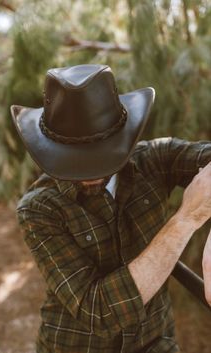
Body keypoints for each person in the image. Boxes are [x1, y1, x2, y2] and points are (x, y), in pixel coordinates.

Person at [11, 64, 211, 353]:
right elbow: (100, 311)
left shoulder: (155, 159)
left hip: (155, 342)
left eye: (99, 153)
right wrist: (186, 220)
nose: (89, 170)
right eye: (75, 158)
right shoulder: (38, 209)